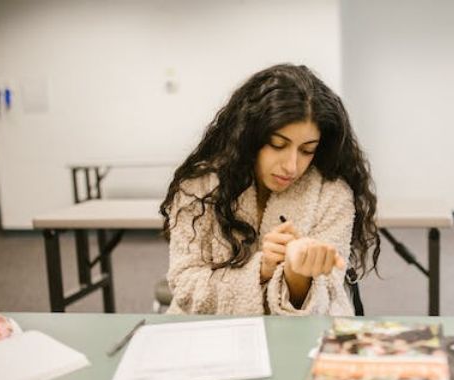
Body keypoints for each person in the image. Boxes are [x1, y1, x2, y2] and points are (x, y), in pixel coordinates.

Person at [160, 63, 379, 316]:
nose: (291, 166)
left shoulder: (332, 194)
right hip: (208, 332)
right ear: (249, 136)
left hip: (299, 336)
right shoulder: (200, 186)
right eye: (277, 145)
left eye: (307, 150)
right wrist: (261, 269)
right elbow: (185, 287)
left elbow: (325, 300)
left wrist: (296, 273)